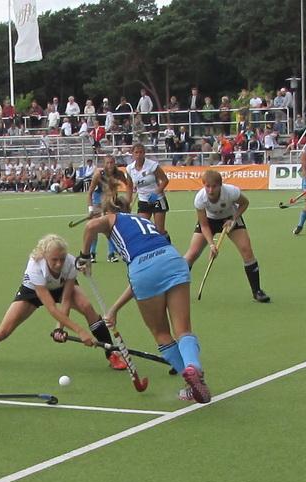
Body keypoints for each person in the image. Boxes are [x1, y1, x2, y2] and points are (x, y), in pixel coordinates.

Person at [76, 193, 211, 403]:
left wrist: (84, 257)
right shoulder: (141, 220)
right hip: (173, 259)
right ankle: (193, 367)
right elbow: (140, 281)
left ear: (107, 211)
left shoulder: (111, 218)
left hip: (143, 268)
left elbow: (91, 226)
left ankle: (191, 385)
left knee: (161, 333)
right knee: (183, 329)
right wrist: (114, 309)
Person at [0, 234, 128, 370]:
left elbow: (65, 299)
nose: (59, 264)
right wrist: (80, 331)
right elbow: (51, 307)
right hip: (34, 291)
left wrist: (59, 328)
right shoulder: (35, 266)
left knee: (86, 307)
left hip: (61, 287)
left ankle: (112, 353)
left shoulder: (70, 263)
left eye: (62, 259)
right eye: (54, 260)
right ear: (45, 256)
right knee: (2, 332)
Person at [183, 170, 270, 303]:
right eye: (207, 186)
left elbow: (245, 203)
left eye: (214, 186)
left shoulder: (231, 192)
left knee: (246, 250)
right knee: (192, 254)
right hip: (209, 221)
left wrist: (234, 219)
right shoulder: (200, 199)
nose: (210, 190)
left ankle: (257, 291)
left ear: (220, 185)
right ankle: (175, 290)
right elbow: (204, 225)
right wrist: (212, 245)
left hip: (230, 218)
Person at [86, 155, 133, 263]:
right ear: (104, 164)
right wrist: (91, 210)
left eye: (112, 162)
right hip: (98, 203)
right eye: (107, 163)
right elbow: (90, 193)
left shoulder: (119, 173)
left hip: (112, 203)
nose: (110, 165)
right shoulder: (99, 174)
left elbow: (129, 185)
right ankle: (92, 253)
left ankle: (111, 254)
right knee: (94, 228)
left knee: (111, 228)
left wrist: (128, 201)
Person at [126, 142, 170, 240]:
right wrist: (128, 202)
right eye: (136, 152)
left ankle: (167, 246)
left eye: (141, 152)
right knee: (143, 229)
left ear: (144, 153)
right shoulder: (129, 169)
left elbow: (165, 180)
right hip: (143, 200)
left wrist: (156, 193)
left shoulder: (152, 165)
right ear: (132, 154)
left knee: (160, 231)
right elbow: (129, 186)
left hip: (157, 200)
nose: (138, 155)